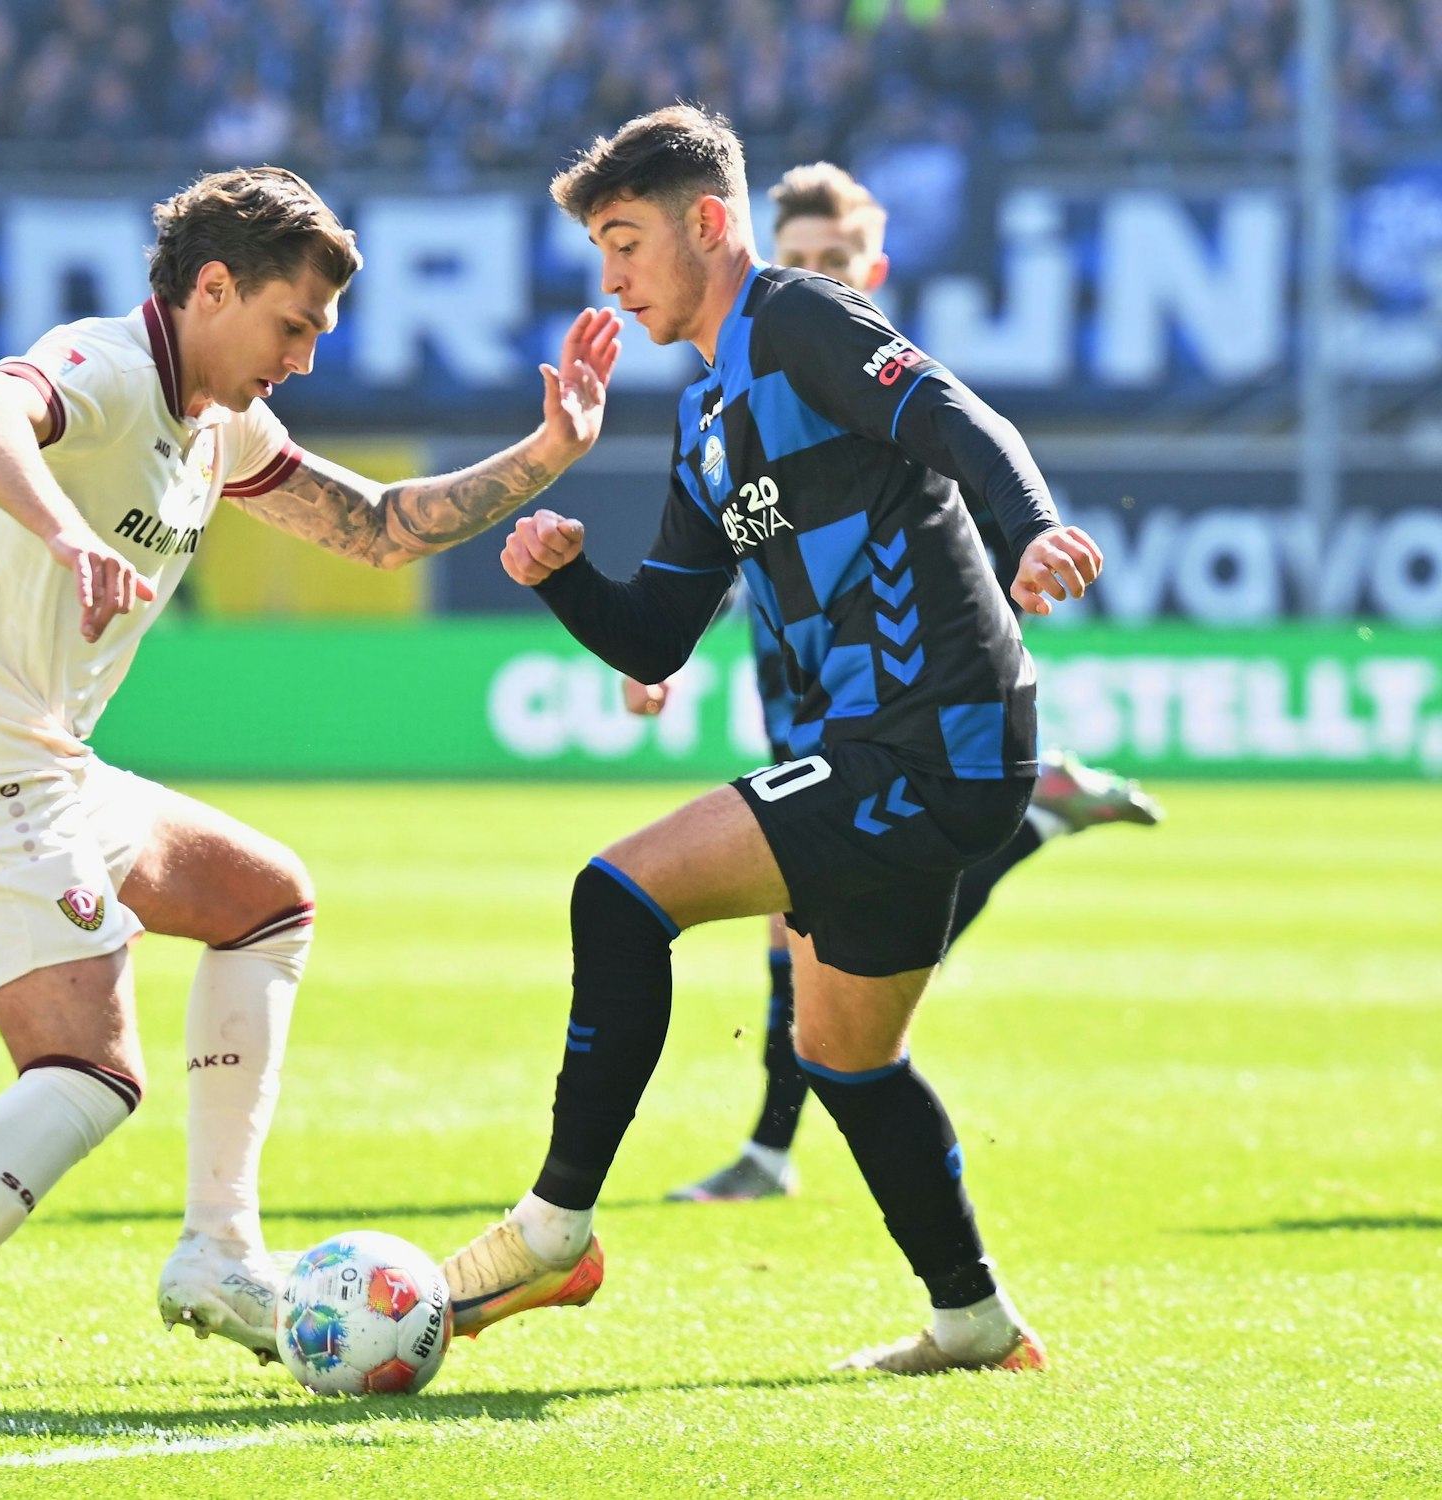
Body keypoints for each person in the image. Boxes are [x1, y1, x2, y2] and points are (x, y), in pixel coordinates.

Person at [0, 166, 619, 1407]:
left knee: (264, 900)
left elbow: (376, 527)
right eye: (293, 325)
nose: (305, 358)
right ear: (213, 288)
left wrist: (549, 453)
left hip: (38, 761)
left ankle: (220, 1254)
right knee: (88, 1070)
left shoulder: (220, 423)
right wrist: (67, 534)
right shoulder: (106, 366)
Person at [440, 106, 1102, 1374]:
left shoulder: (797, 319)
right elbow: (654, 637)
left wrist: (1031, 532)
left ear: (706, 222)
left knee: (618, 895)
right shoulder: (705, 413)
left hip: (926, 740)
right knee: (843, 1057)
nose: (611, 281)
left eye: (624, 243)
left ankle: (552, 1230)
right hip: (893, 754)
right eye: (599, 253)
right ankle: (972, 1321)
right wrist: (561, 578)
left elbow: (960, 420)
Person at [623, 162, 1162, 1205]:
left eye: (837, 259)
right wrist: (663, 653)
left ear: (871, 271)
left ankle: (767, 1154)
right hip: (803, 690)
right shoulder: (740, 388)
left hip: (895, 698)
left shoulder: (867, 380)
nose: (816, 273)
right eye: (800, 257)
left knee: (824, 926)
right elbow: (746, 538)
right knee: (825, 930)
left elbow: (961, 490)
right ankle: (1031, 827)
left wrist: (1031, 545)